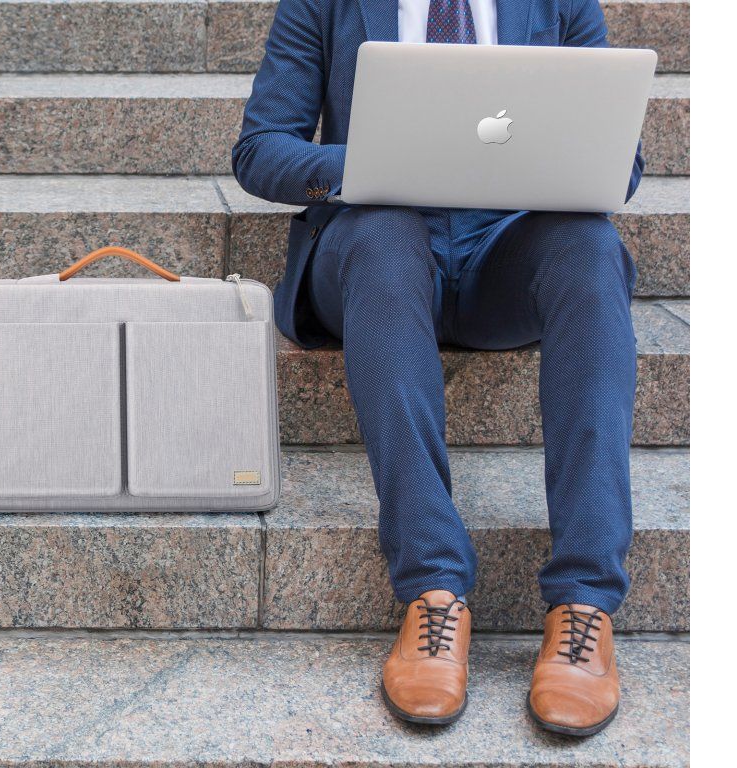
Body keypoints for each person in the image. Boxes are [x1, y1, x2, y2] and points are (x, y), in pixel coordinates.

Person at [232, 0, 640, 734]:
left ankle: (585, 606)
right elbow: (261, 149)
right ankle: (433, 593)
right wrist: (375, 168)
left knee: (591, 249)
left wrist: (543, 164)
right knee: (385, 236)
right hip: (375, 251)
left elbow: (622, 162)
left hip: (503, 256)